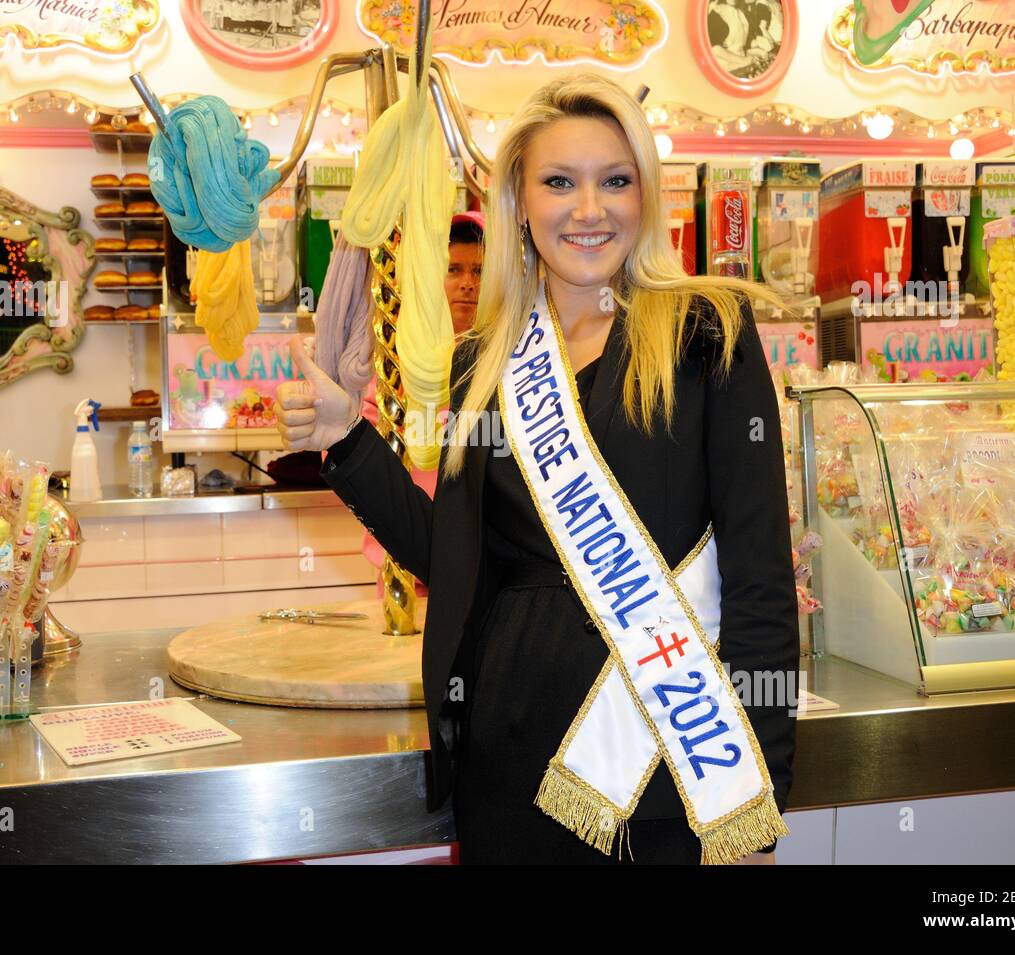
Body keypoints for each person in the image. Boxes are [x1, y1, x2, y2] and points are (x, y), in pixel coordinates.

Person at [276, 74, 797, 864]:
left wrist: (757, 807)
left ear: (645, 196)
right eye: (560, 182)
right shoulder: (484, 364)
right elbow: (455, 561)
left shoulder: (708, 333)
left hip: (668, 771)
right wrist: (346, 441)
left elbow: (762, 582)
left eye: (615, 181)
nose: (589, 210)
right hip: (508, 759)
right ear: (520, 204)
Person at [359, 212, 484, 597]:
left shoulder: (515, 359)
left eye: (479, 271)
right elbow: (362, 456)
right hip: (408, 577)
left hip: (489, 579)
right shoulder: (398, 360)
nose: (467, 283)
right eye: (454, 269)